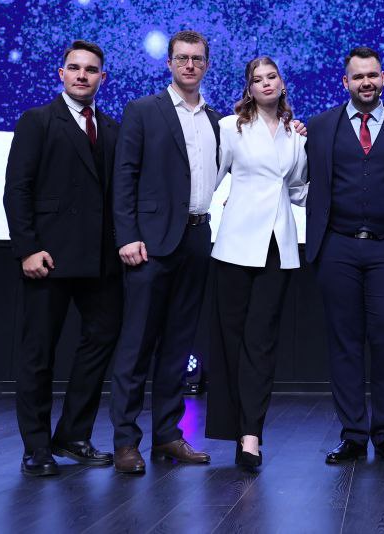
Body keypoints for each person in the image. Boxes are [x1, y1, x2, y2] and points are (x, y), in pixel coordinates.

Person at [3, 40, 121, 477]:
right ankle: (36, 446)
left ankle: (73, 434)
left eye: (90, 70)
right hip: (47, 257)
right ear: (61, 74)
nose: (82, 75)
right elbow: (17, 189)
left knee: (101, 339)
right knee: (39, 353)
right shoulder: (37, 120)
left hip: (99, 259)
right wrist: (27, 248)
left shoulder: (111, 128)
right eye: (74, 68)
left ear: (102, 78)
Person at [305, 46, 384, 465]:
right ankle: (353, 435)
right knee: (345, 341)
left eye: (372, 75)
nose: (366, 82)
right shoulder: (318, 128)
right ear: (346, 82)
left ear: (383, 78)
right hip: (337, 245)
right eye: (358, 77)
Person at [109, 30, 220, 474]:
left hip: (196, 238)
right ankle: (125, 441)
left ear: (206, 64)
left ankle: (168, 436)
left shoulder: (215, 120)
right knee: (137, 345)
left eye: (197, 59)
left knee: (178, 345)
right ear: (169, 63)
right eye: (182, 58)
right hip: (150, 244)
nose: (190, 65)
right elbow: (124, 177)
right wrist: (127, 235)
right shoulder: (143, 110)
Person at [205, 57, 308, 470]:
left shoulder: (295, 134)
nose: (265, 83)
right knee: (231, 341)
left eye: (272, 77)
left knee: (261, 344)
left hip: (277, 247)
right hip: (235, 244)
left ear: (282, 83)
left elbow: (298, 190)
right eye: (257, 79)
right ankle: (234, 428)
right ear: (248, 88)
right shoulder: (230, 127)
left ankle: (251, 435)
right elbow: (210, 179)